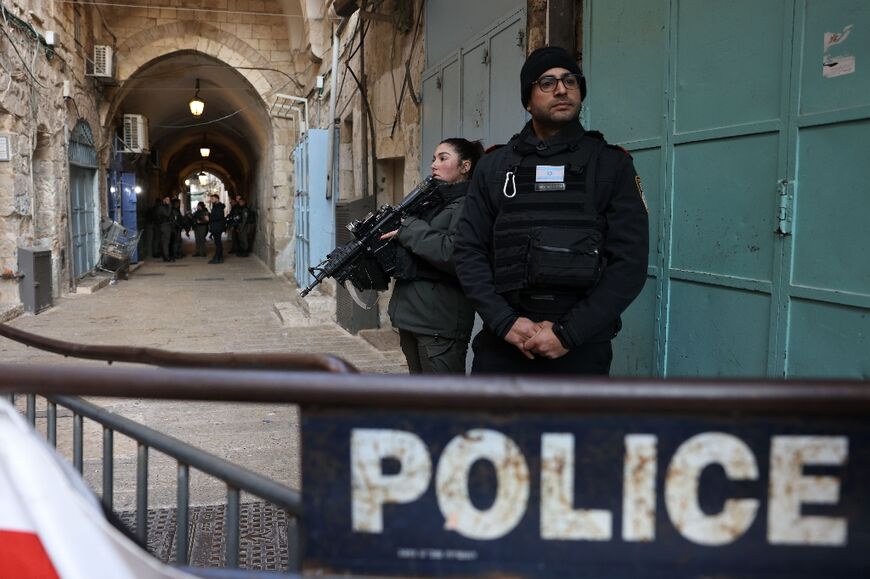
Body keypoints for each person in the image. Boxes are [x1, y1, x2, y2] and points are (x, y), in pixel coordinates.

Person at [453, 46, 649, 375]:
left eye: (570, 81)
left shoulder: (612, 165)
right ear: (527, 100)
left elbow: (629, 263)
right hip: (505, 346)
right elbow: (468, 250)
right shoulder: (494, 167)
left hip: (582, 348)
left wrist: (568, 333)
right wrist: (504, 321)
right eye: (546, 82)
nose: (561, 89)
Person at [379, 138, 483, 374]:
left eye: (443, 158)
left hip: (440, 324)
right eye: (434, 159)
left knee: (445, 403)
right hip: (412, 317)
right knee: (422, 399)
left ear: (465, 167)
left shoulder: (471, 204)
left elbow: (455, 253)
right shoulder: (431, 202)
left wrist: (408, 229)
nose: (434, 165)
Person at [208, 194, 226, 264]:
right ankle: (220, 257)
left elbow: (218, 217)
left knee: (218, 243)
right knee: (218, 243)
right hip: (216, 226)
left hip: (217, 227)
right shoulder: (216, 206)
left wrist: (209, 218)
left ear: (217, 199)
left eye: (212, 199)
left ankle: (217, 258)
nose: (211, 200)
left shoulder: (219, 207)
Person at [155, 195, 174, 262]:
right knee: (165, 242)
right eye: (167, 200)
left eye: (169, 200)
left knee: (165, 242)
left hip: (165, 225)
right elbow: (167, 214)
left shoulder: (163, 207)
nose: (168, 201)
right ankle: (166, 257)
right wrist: (170, 205)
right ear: (163, 200)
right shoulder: (162, 207)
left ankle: (165, 256)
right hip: (164, 226)